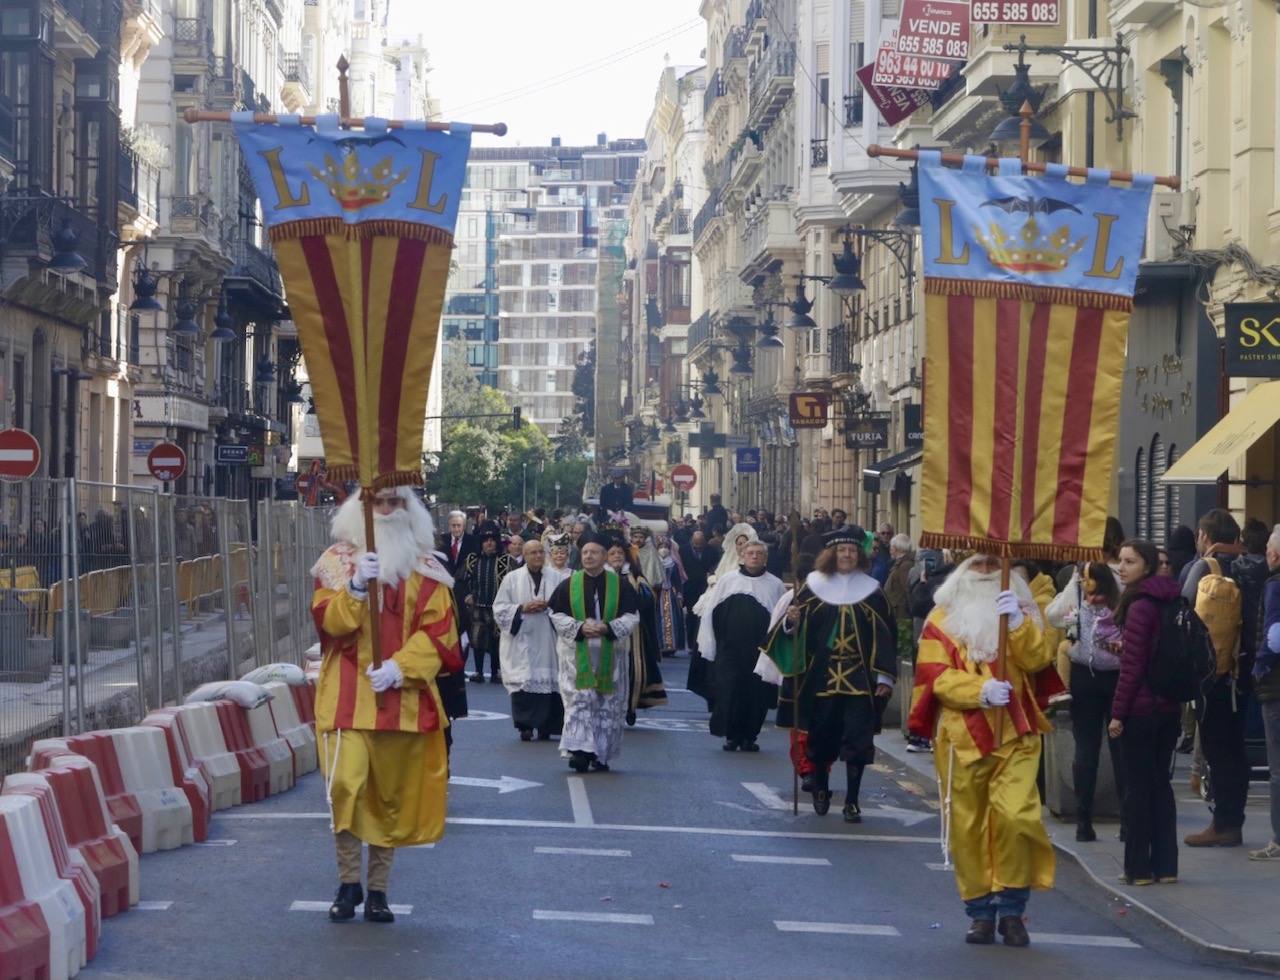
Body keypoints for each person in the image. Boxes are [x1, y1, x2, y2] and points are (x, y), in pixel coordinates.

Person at [311, 486, 461, 923]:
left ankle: (377, 890)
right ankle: (347, 881)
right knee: (344, 786)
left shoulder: (429, 569)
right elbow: (330, 625)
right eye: (381, 503)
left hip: (404, 700)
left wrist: (401, 668)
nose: (390, 511)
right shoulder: (336, 563)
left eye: (398, 503)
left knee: (388, 798)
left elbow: (442, 634)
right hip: (345, 699)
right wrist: (356, 587)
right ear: (363, 509)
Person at [908, 554, 1054, 947]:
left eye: (994, 563)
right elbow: (933, 676)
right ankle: (980, 912)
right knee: (968, 825)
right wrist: (978, 692)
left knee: (1016, 816)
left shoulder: (1023, 610)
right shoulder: (941, 617)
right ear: (964, 569)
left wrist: (1022, 626)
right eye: (979, 564)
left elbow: (1039, 660)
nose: (987, 571)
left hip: (1016, 732)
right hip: (963, 737)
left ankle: (1012, 907)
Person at [760, 528, 896, 822]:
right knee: (821, 738)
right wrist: (791, 623)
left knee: (858, 741)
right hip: (822, 676)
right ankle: (820, 786)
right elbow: (794, 632)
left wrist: (884, 676)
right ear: (831, 555)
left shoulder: (872, 590)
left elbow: (886, 636)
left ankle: (852, 800)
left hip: (859, 678)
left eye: (851, 551)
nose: (846, 555)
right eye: (841, 550)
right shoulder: (813, 587)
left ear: (859, 555)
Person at [1109, 539, 1182, 884]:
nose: (1122, 568)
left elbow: (1133, 668)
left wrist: (1118, 714)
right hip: (1169, 706)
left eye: (1130, 562)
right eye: (1121, 561)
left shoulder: (1140, 606)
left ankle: (1137, 868)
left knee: (1136, 788)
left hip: (1141, 709)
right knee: (1161, 786)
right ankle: (1166, 867)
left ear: (1147, 567)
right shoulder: (1173, 600)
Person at [1180, 508, 1249, 847]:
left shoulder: (1205, 567)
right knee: (1236, 751)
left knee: (1218, 750)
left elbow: (1185, 613)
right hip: (1248, 672)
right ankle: (1233, 819)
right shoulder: (1254, 565)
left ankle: (1223, 823)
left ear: (1205, 537)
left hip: (1214, 675)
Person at [548, 534, 642, 772]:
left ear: (604, 556)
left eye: (594, 552)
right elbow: (555, 614)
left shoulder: (619, 584)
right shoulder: (569, 584)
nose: (589, 556)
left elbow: (633, 616)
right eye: (585, 552)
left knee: (606, 705)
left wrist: (607, 628)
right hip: (578, 655)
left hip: (610, 655)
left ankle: (600, 754)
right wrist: (579, 627)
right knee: (580, 702)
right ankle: (580, 751)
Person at [1048, 563, 1125, 842]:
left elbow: (1054, 616)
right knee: (1099, 751)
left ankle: (1091, 821)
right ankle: (1093, 820)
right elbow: (1054, 616)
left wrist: (1076, 582)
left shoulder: (1109, 590)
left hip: (1102, 677)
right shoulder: (1102, 591)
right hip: (1099, 677)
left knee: (1099, 750)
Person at [699, 541, 786, 751]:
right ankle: (732, 734)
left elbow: (781, 617)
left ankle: (749, 736)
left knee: (756, 694)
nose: (754, 557)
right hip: (730, 648)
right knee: (730, 690)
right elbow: (712, 611)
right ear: (742, 556)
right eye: (750, 553)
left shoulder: (775, 585)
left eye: (759, 553)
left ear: (765, 558)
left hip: (760, 651)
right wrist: (710, 642)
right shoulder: (728, 581)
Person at [492, 539, 565, 742]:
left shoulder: (557, 578)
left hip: (547, 638)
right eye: (532, 552)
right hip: (522, 638)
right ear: (525, 555)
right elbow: (499, 608)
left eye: (541, 552)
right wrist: (522, 608)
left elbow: (565, 606)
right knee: (523, 681)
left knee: (549, 682)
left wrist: (548, 606)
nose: (537, 556)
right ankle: (525, 726)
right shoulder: (512, 578)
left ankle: (546, 727)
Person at [605, 539, 668, 724]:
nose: (617, 556)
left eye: (620, 553)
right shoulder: (601, 576)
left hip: (632, 634)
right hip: (607, 631)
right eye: (612, 553)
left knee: (632, 670)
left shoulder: (634, 577)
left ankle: (630, 707)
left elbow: (648, 601)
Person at [1250, 524, 1280, 861]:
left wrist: (1260, 665)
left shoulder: (1274, 584)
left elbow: (1274, 636)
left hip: (1276, 686)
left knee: (1278, 768)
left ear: (1273, 554)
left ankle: (1278, 838)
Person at [460, 528, 515, 683]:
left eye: (492, 540)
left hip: (498, 608)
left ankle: (495, 672)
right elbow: (459, 580)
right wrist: (467, 595)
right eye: (486, 540)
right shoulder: (472, 559)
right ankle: (478, 672)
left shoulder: (506, 560)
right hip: (477, 607)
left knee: (496, 641)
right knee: (477, 640)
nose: (489, 543)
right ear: (481, 543)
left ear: (497, 542)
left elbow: (515, 582)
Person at [442, 510, 477, 575]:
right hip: (445, 581)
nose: (456, 529)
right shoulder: (442, 540)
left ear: (464, 526)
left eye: (459, 525)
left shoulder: (473, 541)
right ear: (449, 526)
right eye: (453, 525)